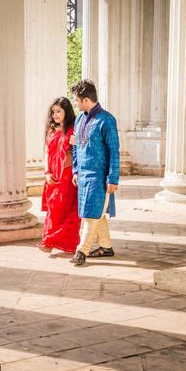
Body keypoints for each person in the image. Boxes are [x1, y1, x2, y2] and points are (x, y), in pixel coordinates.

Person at [69, 79, 120, 266]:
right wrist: (75, 170)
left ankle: (81, 251)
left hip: (100, 176)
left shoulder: (107, 119)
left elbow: (114, 150)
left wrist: (113, 177)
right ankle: (106, 247)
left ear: (85, 100)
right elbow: (75, 146)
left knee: (90, 214)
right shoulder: (80, 119)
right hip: (83, 175)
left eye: (76, 99)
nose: (74, 102)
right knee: (94, 211)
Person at [39, 97, 81, 254]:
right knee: (53, 208)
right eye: (53, 111)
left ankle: (51, 242)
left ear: (66, 112)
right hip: (52, 176)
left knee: (64, 209)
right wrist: (47, 172)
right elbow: (46, 152)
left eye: (59, 111)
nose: (55, 115)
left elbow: (77, 153)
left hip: (67, 175)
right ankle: (49, 240)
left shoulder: (74, 129)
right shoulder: (51, 130)